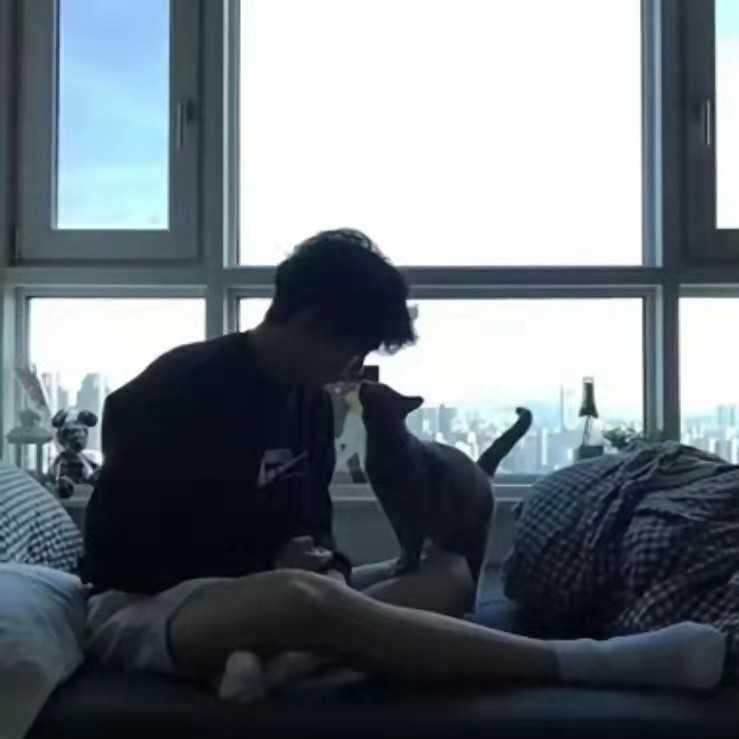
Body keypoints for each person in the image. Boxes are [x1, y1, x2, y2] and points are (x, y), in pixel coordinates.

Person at [82, 229, 726, 697]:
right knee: (298, 597)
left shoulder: (310, 405)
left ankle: (281, 662)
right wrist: (268, 571)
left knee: (447, 575)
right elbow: (118, 558)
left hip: (268, 596)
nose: (354, 369)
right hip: (148, 608)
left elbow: (313, 530)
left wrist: (323, 563)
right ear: (312, 322)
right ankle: (585, 663)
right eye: (354, 350)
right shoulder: (175, 390)